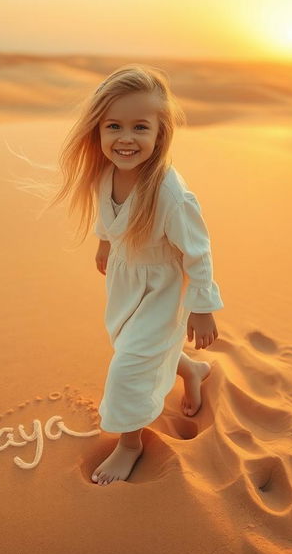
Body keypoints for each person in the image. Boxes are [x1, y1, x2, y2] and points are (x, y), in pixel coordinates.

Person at [51, 64, 224, 486]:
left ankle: (130, 444)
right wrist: (106, 242)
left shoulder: (170, 193)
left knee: (129, 364)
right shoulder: (106, 171)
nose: (126, 138)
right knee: (131, 343)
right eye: (114, 126)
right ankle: (189, 371)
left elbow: (198, 251)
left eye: (140, 127)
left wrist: (202, 307)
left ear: (160, 133)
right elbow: (108, 217)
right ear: (98, 130)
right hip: (127, 282)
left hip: (164, 288)